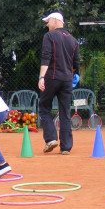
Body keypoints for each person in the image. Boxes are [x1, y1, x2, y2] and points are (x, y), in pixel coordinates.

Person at [38, 12, 80, 155]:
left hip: (51, 78)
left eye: (48, 21)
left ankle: (51, 139)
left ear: (56, 21)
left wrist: (41, 77)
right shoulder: (73, 40)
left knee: (43, 106)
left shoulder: (49, 36)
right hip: (67, 80)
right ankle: (66, 147)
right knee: (65, 111)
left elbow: (46, 57)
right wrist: (69, 74)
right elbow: (76, 63)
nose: (47, 24)